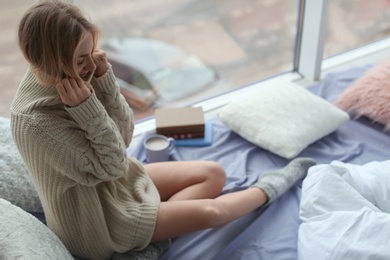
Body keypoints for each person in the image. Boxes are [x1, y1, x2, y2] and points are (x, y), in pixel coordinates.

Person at [11, 0, 316, 259]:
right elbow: (114, 163)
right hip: (96, 221)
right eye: (81, 59)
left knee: (214, 174)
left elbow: (125, 137)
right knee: (213, 213)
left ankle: (155, 232)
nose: (91, 64)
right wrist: (87, 110)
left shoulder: (67, 78)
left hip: (112, 182)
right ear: (52, 59)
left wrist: (104, 84)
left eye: (92, 52)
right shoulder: (37, 123)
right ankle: (272, 185)